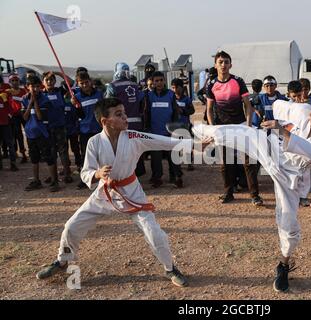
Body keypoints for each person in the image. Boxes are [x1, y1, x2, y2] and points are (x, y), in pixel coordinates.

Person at [194, 86, 311, 292]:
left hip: (290, 177)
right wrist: (268, 111)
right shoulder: (303, 110)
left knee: (289, 225)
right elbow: (277, 105)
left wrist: (283, 130)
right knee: (245, 132)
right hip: (273, 151)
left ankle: (283, 264)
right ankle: (201, 134)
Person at [36, 97, 194, 287]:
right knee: (72, 226)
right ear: (105, 121)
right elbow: (86, 171)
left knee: (154, 232)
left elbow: (164, 142)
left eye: (124, 112)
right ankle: (62, 261)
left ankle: (170, 268)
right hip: (105, 192)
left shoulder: (134, 137)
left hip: (132, 192)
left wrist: (194, 145)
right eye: (119, 114)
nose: (125, 117)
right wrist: (97, 173)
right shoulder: (94, 142)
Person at [206, 51, 262, 206]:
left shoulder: (238, 81)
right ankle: (228, 193)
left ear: (231, 64)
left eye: (226, 62)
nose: (223, 65)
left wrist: (249, 126)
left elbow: (248, 106)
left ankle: (255, 195)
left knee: (248, 161)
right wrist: (212, 129)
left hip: (240, 126)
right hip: (222, 128)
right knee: (225, 163)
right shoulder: (211, 84)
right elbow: (209, 109)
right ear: (215, 65)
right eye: (220, 62)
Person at [105, 63, 146, 177]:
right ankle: (139, 172)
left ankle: (125, 176)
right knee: (136, 149)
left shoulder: (113, 86)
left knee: (121, 150)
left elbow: (108, 104)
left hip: (120, 123)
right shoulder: (135, 86)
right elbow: (142, 104)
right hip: (137, 122)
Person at [21, 75, 59, 192]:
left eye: (38, 87)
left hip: (43, 133)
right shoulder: (24, 99)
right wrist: (30, 103)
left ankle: (54, 181)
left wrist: (35, 101)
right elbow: (25, 117)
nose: (36, 89)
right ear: (28, 87)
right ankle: (36, 181)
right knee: (34, 158)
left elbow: (40, 116)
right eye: (33, 87)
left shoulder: (45, 100)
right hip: (31, 134)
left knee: (48, 157)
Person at [146, 71, 183, 188]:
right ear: (152, 82)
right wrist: (147, 129)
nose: (159, 83)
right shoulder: (149, 96)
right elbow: (147, 113)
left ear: (164, 81)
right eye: (156, 81)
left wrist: (175, 129)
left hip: (169, 132)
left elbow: (175, 112)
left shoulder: (171, 95)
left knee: (173, 155)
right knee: (156, 158)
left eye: (161, 80)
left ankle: (176, 177)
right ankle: (157, 178)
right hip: (155, 132)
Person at [71, 72, 103, 189]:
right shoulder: (77, 97)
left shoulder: (99, 94)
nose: (85, 85)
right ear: (78, 84)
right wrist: (75, 106)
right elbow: (80, 115)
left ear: (90, 81)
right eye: (81, 83)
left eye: (86, 82)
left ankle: (101, 177)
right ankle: (86, 179)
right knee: (86, 155)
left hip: (99, 129)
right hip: (85, 130)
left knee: (101, 154)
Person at [42, 71, 73, 183]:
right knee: (51, 152)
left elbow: (71, 82)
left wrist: (57, 73)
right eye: (47, 80)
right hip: (47, 128)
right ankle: (53, 175)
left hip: (60, 126)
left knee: (63, 151)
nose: (49, 82)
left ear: (55, 81)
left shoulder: (60, 91)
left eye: (52, 80)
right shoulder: (40, 94)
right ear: (43, 82)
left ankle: (67, 174)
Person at [171, 78, 195, 171]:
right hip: (174, 127)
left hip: (185, 125)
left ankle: (189, 163)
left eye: (177, 87)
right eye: (173, 87)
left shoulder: (186, 99)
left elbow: (192, 110)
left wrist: (183, 111)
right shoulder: (171, 98)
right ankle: (177, 164)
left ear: (182, 88)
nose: (175, 90)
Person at [5, 73, 28, 164]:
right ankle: (18, 154)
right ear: (10, 82)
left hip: (23, 115)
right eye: (12, 81)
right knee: (17, 135)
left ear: (19, 81)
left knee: (27, 134)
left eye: (16, 80)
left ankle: (25, 154)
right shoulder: (7, 92)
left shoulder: (24, 91)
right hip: (13, 117)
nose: (15, 82)